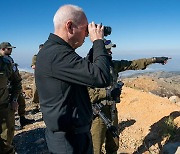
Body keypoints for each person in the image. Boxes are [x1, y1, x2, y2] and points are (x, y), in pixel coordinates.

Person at [35, 4, 111, 154]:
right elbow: (101, 77)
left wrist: (93, 51)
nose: (86, 34)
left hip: (73, 135)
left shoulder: (56, 51)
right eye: (85, 29)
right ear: (69, 26)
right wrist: (98, 42)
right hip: (69, 142)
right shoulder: (57, 55)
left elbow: (84, 71)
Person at [89, 39, 169, 154]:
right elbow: (86, 94)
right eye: (108, 50)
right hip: (97, 114)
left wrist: (155, 60)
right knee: (95, 149)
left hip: (112, 111)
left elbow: (133, 64)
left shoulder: (113, 65)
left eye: (111, 50)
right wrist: (106, 93)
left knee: (113, 145)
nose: (111, 52)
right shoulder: (89, 68)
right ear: (100, 51)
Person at [0, 42, 34, 131]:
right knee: (9, 107)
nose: (11, 50)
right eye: (9, 48)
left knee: (20, 102)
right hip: (6, 87)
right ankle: (11, 124)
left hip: (14, 85)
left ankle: (22, 119)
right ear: (3, 49)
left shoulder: (9, 58)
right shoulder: (2, 60)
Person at [0, 42, 21, 153]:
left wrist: (14, 100)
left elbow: (17, 82)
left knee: (6, 142)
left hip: (4, 107)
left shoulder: (6, 64)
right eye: (9, 49)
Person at [30, 44, 44, 114]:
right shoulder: (36, 57)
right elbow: (33, 66)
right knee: (35, 92)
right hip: (38, 77)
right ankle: (35, 107)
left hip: (46, 77)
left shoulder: (48, 57)